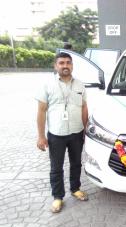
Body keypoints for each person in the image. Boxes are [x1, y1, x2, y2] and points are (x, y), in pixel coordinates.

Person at [36, 52, 89, 213]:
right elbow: (41, 110)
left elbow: (84, 107)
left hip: (76, 132)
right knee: (56, 167)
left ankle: (75, 189)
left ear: (72, 65)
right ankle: (58, 197)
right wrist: (40, 136)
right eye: (61, 63)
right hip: (56, 134)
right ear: (55, 66)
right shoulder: (47, 85)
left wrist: (85, 129)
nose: (65, 66)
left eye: (68, 63)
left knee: (76, 164)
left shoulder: (80, 85)